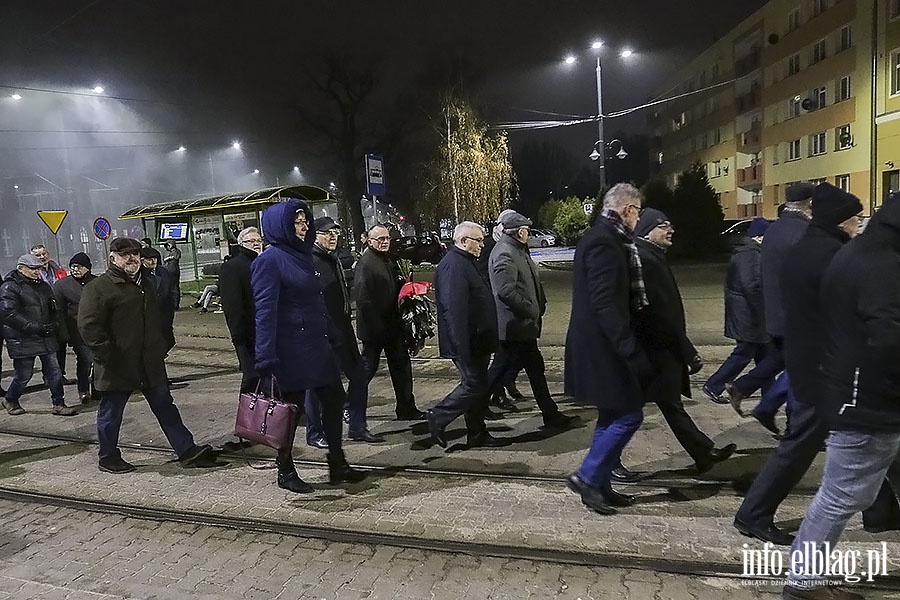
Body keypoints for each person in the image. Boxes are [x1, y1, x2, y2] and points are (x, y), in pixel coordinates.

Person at [781, 195, 900, 600]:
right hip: (868, 401)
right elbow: (889, 338)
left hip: (858, 393)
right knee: (840, 496)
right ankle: (803, 583)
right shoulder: (881, 263)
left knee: (847, 492)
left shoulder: (864, 253)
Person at [252, 200, 365, 493]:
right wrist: (265, 358)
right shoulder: (270, 260)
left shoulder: (303, 256)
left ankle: (337, 462)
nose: (303, 227)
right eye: (296, 222)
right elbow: (264, 312)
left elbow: (314, 302)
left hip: (317, 347)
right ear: (281, 226)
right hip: (290, 350)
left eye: (304, 221)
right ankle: (285, 469)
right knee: (290, 412)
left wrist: (332, 333)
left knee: (334, 399)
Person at [77, 237, 217, 473]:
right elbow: (88, 326)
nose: (131, 258)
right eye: (124, 254)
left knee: (165, 406)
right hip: (117, 363)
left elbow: (158, 316)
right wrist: (107, 354)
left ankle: (187, 450)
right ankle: (108, 457)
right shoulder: (99, 287)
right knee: (111, 412)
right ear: (113, 258)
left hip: (149, 362)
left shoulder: (147, 282)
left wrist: (161, 343)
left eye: (135, 253)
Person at [564, 183, 652, 515]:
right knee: (629, 414)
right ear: (627, 209)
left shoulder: (607, 237)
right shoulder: (604, 241)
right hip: (603, 346)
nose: (638, 219)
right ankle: (587, 476)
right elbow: (604, 303)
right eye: (638, 212)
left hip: (602, 344)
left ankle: (599, 486)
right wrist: (628, 347)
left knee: (613, 412)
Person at [631, 208, 736, 474]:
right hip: (649, 351)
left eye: (670, 224)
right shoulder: (646, 259)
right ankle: (606, 465)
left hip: (656, 349)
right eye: (663, 225)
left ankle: (703, 452)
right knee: (624, 411)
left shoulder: (652, 256)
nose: (671, 230)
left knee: (669, 403)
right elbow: (658, 313)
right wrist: (686, 351)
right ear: (647, 230)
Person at [727, 183, 813, 422]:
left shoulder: (774, 230)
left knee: (781, 359)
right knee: (800, 366)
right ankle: (791, 421)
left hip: (774, 313)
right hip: (795, 314)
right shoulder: (804, 232)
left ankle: (744, 389)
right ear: (810, 204)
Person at [486, 210, 577, 430]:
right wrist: (530, 310)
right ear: (519, 232)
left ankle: (551, 414)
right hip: (514, 326)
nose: (528, 233)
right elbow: (505, 291)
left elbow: (530, 283)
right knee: (500, 372)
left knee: (534, 370)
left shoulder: (517, 250)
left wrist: (540, 304)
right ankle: (467, 408)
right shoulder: (505, 253)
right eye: (526, 229)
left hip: (522, 327)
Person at [426, 222, 505, 449]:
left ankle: (477, 432)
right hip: (467, 342)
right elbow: (454, 309)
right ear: (463, 241)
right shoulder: (453, 266)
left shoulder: (464, 262)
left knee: (477, 386)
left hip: (477, 340)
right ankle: (438, 416)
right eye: (478, 240)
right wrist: (461, 346)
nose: (482, 244)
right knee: (474, 385)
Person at [306, 217, 381, 445]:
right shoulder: (309, 262)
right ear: (314, 235)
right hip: (321, 334)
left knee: (359, 376)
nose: (333, 237)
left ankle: (357, 426)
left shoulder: (333, 259)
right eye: (327, 233)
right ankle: (315, 433)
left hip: (342, 329)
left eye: (335, 233)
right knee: (317, 385)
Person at [354, 224, 424, 420]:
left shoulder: (388, 259)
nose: (385, 242)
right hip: (375, 329)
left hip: (392, 326)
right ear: (369, 241)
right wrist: (375, 327)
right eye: (380, 239)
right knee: (367, 368)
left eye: (387, 238)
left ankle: (406, 408)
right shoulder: (366, 263)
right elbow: (363, 299)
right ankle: (350, 406)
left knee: (402, 367)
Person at [703, 218, 774, 407]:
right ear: (760, 237)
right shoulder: (750, 254)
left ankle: (770, 396)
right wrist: (764, 313)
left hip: (748, 315)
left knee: (767, 356)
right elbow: (752, 286)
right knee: (744, 353)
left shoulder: (750, 252)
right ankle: (714, 384)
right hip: (749, 316)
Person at [0, 254, 76, 416]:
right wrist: (35, 328)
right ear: (21, 268)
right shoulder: (10, 287)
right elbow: (9, 314)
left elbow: (53, 308)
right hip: (23, 339)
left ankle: (59, 403)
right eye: (32, 269)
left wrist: (54, 324)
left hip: (46, 336)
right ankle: (11, 399)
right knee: (23, 374)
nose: (36, 272)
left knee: (55, 371)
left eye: (38, 269)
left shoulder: (43, 286)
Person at [219, 226, 263, 394]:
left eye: (258, 240)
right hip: (247, 332)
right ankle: (248, 416)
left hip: (266, 329)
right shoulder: (233, 267)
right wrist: (238, 336)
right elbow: (232, 303)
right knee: (252, 377)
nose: (256, 244)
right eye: (250, 241)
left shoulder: (264, 261)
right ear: (241, 244)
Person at [53, 252, 97, 404]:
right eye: (73, 266)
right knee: (86, 359)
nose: (76, 269)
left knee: (100, 360)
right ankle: (83, 389)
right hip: (76, 331)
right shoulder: (62, 285)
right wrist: (63, 334)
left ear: (88, 268)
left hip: (98, 330)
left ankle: (97, 389)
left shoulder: (97, 283)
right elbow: (58, 312)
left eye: (80, 266)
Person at [140, 247, 178, 351]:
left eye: (155, 258)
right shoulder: (139, 274)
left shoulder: (163, 272)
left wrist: (171, 310)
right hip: (147, 318)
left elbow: (171, 291)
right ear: (142, 260)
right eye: (149, 259)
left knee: (168, 341)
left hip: (163, 314)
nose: (153, 261)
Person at [162, 240, 182, 308]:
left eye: (169, 245)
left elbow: (176, 257)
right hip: (167, 271)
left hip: (174, 271)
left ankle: (176, 304)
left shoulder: (177, 251)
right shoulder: (165, 252)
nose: (168, 246)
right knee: (168, 288)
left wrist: (173, 249)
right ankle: (170, 303)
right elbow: (164, 260)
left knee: (175, 288)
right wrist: (170, 258)